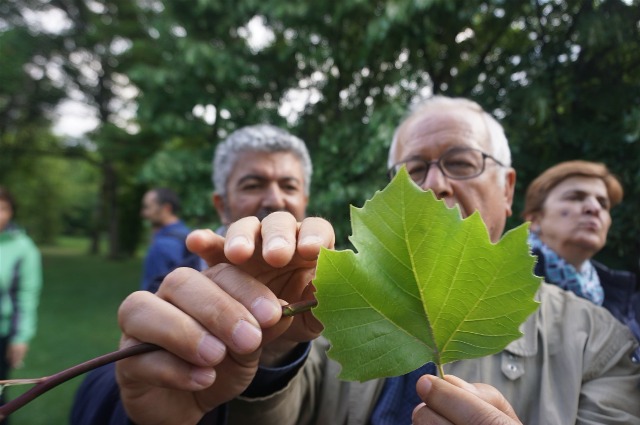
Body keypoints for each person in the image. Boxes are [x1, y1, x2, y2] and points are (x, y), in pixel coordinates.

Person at [71, 96, 640, 425]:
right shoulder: (325, 311)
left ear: (509, 187)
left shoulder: (599, 343)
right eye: (413, 170)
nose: (435, 185)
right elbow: (277, 408)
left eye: (461, 162)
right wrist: (265, 356)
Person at [521, 160, 640, 357]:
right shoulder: (502, 281)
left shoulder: (619, 298)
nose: (594, 208)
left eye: (603, 203)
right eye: (575, 197)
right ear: (534, 220)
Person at [210, 123, 311, 235]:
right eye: (253, 186)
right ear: (222, 207)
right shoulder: (198, 250)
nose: (276, 201)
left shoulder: (323, 251)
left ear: (305, 201)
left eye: (289, 187)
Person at [0, 187, 42, 413]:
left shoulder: (22, 248)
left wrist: (20, 337)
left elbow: (26, 295)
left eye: (3, 208)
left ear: (11, 212)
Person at [139, 187, 193, 292]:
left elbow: (153, 292)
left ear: (166, 208)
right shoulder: (187, 234)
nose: (144, 213)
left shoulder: (161, 246)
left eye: (148, 207)